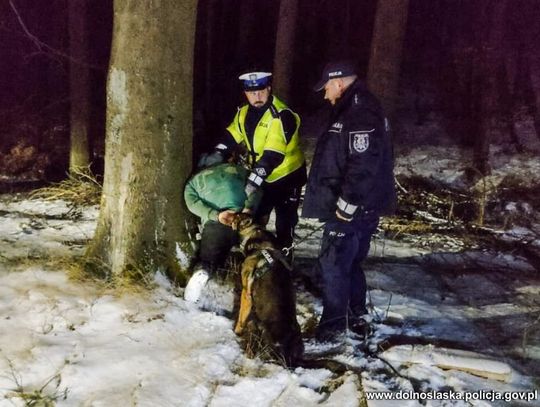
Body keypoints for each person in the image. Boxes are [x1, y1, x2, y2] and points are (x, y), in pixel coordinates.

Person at [302, 61, 396, 342]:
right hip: (359, 205)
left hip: (351, 208)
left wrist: (347, 204)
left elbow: (364, 162)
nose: (325, 94)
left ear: (339, 82)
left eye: (327, 87)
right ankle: (357, 315)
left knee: (333, 263)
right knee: (350, 262)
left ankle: (332, 329)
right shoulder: (356, 106)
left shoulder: (359, 109)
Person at [211, 70, 306, 251]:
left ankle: (285, 263)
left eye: (261, 91)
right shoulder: (244, 113)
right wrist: (218, 152)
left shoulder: (280, 115)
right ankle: (259, 258)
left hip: (287, 177)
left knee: (285, 224)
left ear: (269, 89)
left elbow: (273, 156)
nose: (257, 96)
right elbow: (232, 135)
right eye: (252, 93)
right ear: (246, 93)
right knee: (256, 219)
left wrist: (253, 182)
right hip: (263, 178)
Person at [183, 153, 261, 303]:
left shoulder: (194, 181)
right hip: (245, 223)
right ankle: (254, 281)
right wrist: (247, 210)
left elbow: (191, 203)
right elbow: (256, 190)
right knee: (253, 252)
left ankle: (203, 272)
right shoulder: (241, 171)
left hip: (217, 222)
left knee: (209, 259)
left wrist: (214, 215)